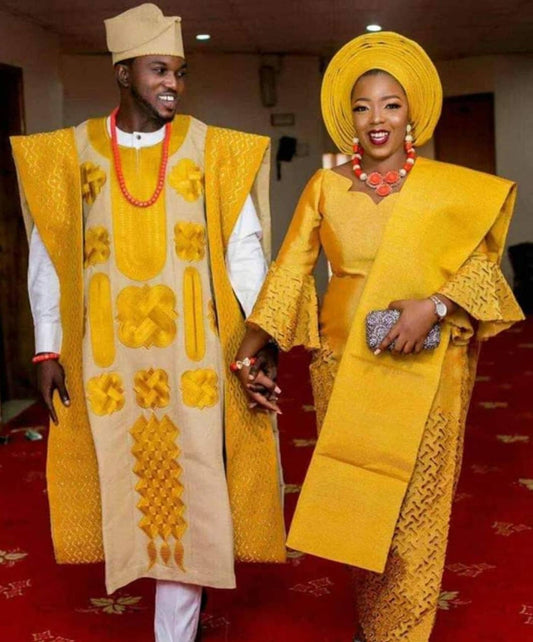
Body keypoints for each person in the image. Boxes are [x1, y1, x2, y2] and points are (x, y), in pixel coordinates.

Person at [236, 32, 524, 641]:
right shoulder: (325, 187)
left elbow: (482, 271)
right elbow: (290, 270)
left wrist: (435, 307)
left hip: (429, 364)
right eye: (363, 107)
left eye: (391, 104)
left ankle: (403, 633)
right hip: (343, 363)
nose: (377, 119)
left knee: (417, 509)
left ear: (411, 111)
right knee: (361, 504)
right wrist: (252, 344)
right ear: (349, 118)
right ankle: (373, 623)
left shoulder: (448, 189)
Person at [11, 4, 285, 641]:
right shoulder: (72, 153)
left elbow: (244, 250)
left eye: (180, 73)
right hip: (109, 363)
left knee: (193, 487)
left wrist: (261, 333)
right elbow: (49, 255)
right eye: (159, 70)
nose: (173, 84)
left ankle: (174, 631)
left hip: (195, 360)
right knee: (127, 485)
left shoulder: (212, 150)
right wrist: (47, 349)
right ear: (122, 73)